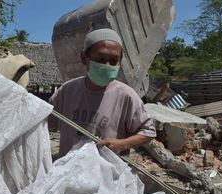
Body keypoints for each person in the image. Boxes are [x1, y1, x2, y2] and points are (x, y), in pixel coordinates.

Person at [49, 27, 156, 157]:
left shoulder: (126, 95)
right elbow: (48, 124)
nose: (107, 65)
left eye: (113, 61)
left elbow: (148, 132)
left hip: (107, 173)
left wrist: (122, 144)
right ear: (84, 58)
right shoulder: (66, 91)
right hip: (70, 172)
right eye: (100, 59)